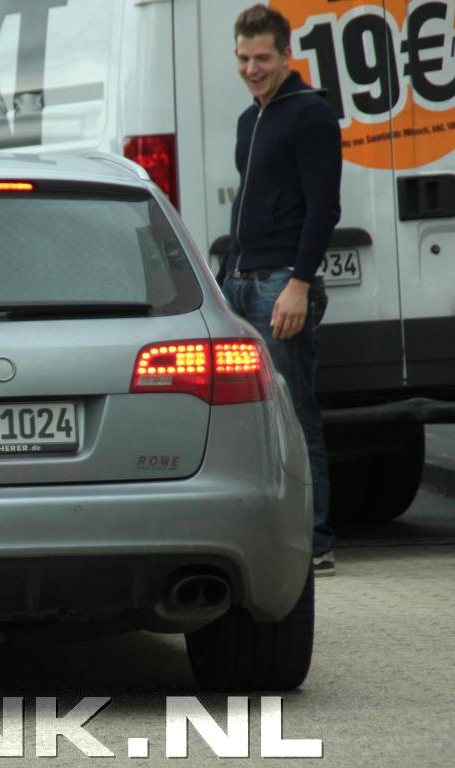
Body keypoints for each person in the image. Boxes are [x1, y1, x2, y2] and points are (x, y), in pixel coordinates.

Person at [219, 6, 341, 575]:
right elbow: (245, 203)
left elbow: (323, 208)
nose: (252, 69)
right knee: (250, 417)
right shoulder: (251, 119)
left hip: (281, 286)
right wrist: (224, 276)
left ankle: (316, 542)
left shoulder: (310, 115)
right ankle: (267, 536)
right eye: (244, 58)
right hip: (242, 284)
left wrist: (298, 284)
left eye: (263, 58)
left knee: (295, 413)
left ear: (286, 55)